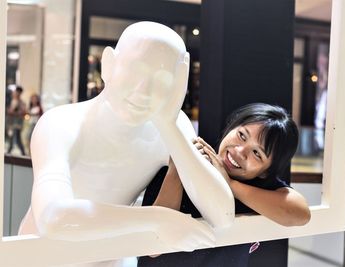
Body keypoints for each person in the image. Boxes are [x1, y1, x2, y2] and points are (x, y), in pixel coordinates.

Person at [18, 21, 235, 266]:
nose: (144, 90)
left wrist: (168, 125)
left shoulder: (168, 125)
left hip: (112, 257)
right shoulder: (62, 124)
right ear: (108, 64)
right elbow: (53, 217)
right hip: (41, 258)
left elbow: (222, 215)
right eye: (135, 70)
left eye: (162, 80)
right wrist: (156, 219)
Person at [138, 103, 311, 267]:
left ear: (265, 171)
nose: (240, 151)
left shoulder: (260, 189)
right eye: (242, 135)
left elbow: (300, 214)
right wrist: (179, 166)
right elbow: (153, 247)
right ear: (231, 127)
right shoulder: (188, 159)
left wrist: (229, 184)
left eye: (257, 153)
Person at [7, 85, 27, 155]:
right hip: (11, 123)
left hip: (17, 123)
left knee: (16, 138)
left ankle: (22, 153)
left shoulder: (21, 103)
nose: (15, 93)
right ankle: (10, 151)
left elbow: (23, 112)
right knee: (13, 138)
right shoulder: (11, 101)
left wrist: (13, 112)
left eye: (17, 92)